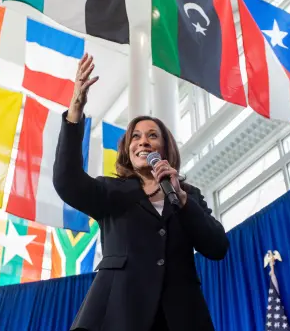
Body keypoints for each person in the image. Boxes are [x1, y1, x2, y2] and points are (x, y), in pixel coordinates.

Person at [53, 53, 229, 331]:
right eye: (135, 136)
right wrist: (75, 111)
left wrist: (182, 201)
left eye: (152, 135)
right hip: (116, 314)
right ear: (128, 149)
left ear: (165, 148)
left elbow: (218, 247)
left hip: (179, 317)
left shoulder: (189, 196)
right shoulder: (111, 190)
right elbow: (67, 181)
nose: (143, 141)